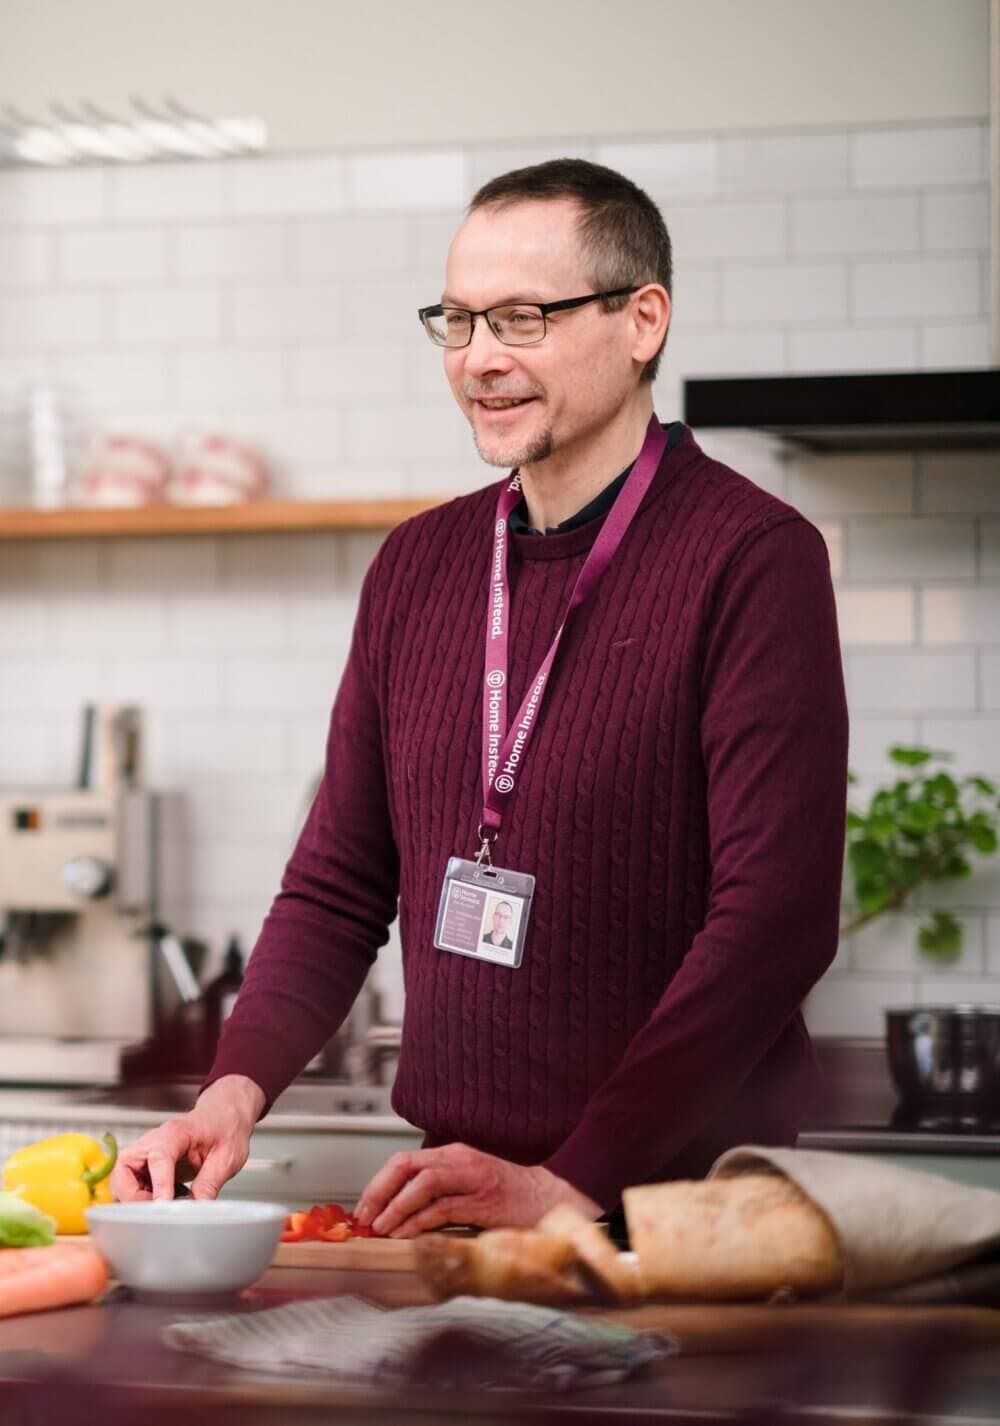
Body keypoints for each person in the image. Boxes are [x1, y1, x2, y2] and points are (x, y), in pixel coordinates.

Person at [113, 159, 848, 1239]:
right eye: (456, 322)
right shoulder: (416, 566)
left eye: (521, 319)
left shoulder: (753, 559)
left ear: (642, 320)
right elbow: (336, 884)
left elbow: (773, 926)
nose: (479, 361)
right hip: (458, 1209)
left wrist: (574, 1181)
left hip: (683, 1221)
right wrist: (233, 1089)